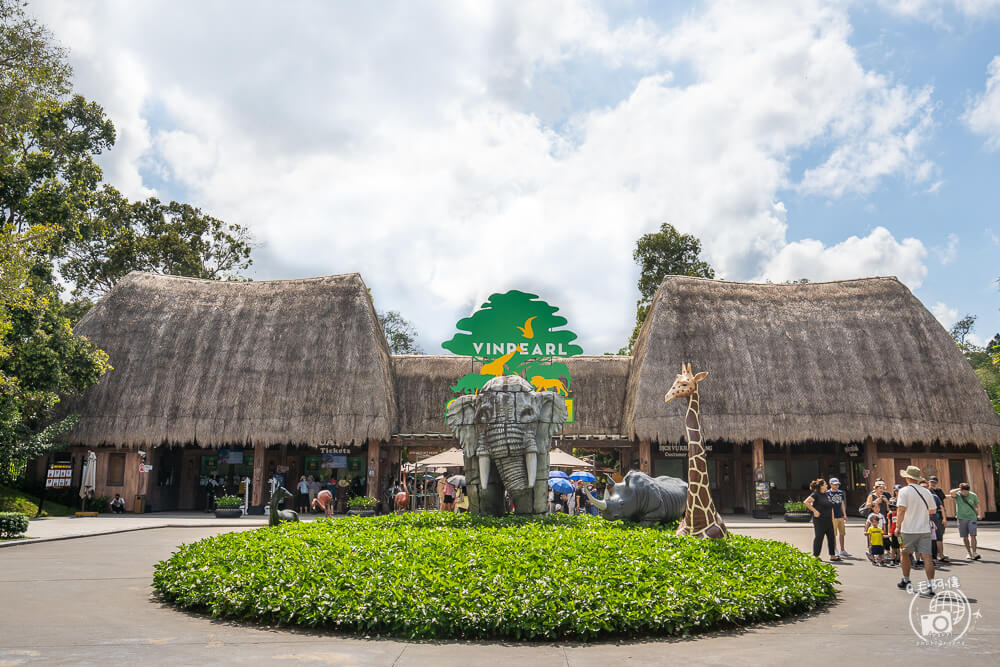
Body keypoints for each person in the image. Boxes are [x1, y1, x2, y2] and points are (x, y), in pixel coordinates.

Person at [894, 465, 937, 597]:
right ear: (917, 478)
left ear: (907, 477)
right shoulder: (926, 491)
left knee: (904, 553)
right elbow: (933, 510)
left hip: (907, 530)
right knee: (927, 557)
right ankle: (930, 585)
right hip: (924, 529)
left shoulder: (904, 491)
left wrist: (897, 526)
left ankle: (906, 580)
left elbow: (901, 510)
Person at [803, 478, 841, 561]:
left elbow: (830, 506)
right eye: (825, 484)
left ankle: (832, 555)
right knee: (819, 537)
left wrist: (832, 517)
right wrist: (815, 511)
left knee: (831, 537)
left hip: (828, 520)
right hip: (819, 520)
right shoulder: (816, 494)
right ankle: (815, 556)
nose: (827, 485)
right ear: (821, 486)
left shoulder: (826, 494)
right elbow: (806, 502)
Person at [949, 482, 983, 560]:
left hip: (972, 517)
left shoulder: (973, 495)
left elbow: (978, 505)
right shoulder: (957, 495)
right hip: (961, 518)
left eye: (967, 491)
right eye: (964, 491)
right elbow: (951, 492)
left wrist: (979, 514)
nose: (965, 493)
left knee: (973, 535)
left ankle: (974, 553)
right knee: (965, 537)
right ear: (961, 490)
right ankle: (969, 553)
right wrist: (959, 489)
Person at [926, 476, 949, 563]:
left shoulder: (938, 492)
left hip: (938, 515)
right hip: (930, 516)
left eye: (934, 482)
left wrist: (944, 518)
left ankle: (940, 554)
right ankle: (930, 555)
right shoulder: (927, 491)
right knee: (930, 536)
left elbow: (942, 504)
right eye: (931, 482)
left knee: (939, 535)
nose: (933, 484)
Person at [827, 477, 850, 557]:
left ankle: (842, 549)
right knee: (833, 534)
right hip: (833, 516)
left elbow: (842, 504)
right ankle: (835, 549)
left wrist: (845, 514)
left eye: (837, 484)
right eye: (835, 484)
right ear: (830, 484)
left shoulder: (840, 492)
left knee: (842, 533)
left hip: (840, 515)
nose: (837, 486)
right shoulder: (828, 493)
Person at [885, 499, 901, 565]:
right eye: (892, 509)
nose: (894, 510)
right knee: (893, 547)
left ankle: (899, 558)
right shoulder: (890, 514)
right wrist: (889, 532)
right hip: (893, 533)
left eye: (895, 508)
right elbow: (889, 523)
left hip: (900, 533)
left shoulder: (900, 514)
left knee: (901, 546)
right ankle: (892, 559)